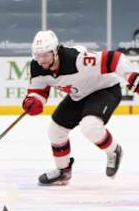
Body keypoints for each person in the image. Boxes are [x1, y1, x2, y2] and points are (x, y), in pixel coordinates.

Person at [22, 30, 139, 186]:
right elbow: (38, 91)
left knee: (90, 126)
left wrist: (131, 75)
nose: (42, 60)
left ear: (56, 51)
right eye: (38, 55)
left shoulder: (77, 59)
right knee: (55, 130)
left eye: (46, 55)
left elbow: (114, 58)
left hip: (104, 89)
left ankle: (114, 152)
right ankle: (63, 171)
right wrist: (33, 101)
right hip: (78, 95)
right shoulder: (36, 66)